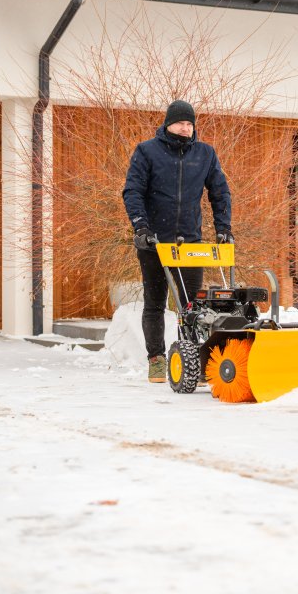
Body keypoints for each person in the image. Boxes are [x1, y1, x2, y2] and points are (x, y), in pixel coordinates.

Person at [122, 100, 233, 383]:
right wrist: (141, 227)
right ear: (168, 124)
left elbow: (220, 192)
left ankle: (193, 358)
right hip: (154, 242)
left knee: (192, 306)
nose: (185, 128)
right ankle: (157, 360)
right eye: (180, 123)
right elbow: (133, 191)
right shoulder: (147, 151)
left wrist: (223, 228)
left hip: (190, 243)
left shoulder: (205, 154)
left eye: (189, 124)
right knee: (155, 303)